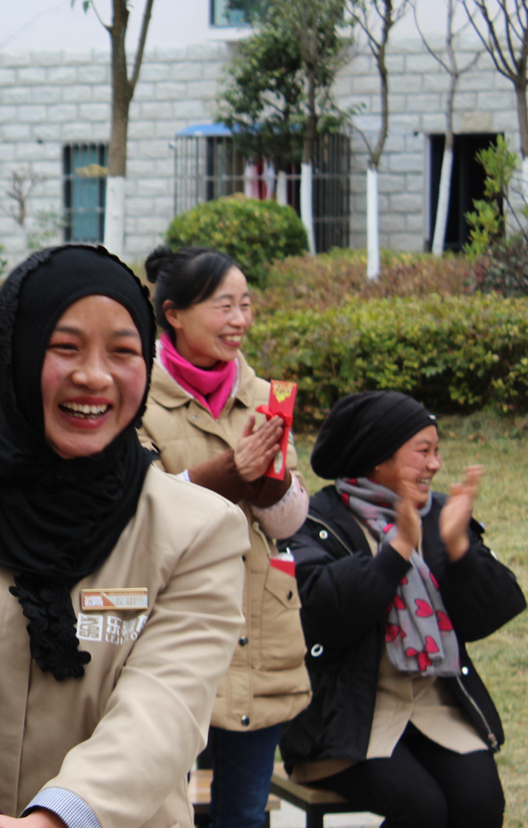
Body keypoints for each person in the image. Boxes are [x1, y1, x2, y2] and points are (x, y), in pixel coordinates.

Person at [0, 244, 250, 828]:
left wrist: (57, 819)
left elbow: (164, 709)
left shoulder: (196, 531)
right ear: (16, 352)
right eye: (65, 346)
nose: (93, 376)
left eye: (123, 351)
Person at [280, 391, 524, 828]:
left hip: (433, 707)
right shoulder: (315, 520)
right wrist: (396, 552)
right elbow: (322, 616)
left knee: (480, 804)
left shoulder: (440, 514)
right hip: (347, 717)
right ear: (377, 458)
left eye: (437, 452)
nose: (435, 465)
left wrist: (459, 550)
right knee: (422, 809)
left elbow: (489, 614)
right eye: (423, 452)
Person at [136, 246, 310, 828]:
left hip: (257, 625)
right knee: (159, 809)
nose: (239, 320)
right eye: (223, 306)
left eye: (246, 305)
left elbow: (287, 525)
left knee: (243, 815)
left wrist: (272, 483)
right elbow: (137, 513)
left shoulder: (264, 397)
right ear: (174, 314)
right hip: (167, 619)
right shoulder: (136, 394)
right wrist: (230, 473)